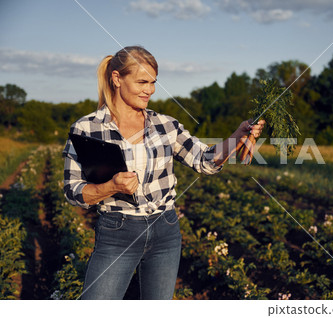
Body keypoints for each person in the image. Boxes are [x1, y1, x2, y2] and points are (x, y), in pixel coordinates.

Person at [62, 46, 265, 300]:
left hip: (165, 231)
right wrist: (111, 187)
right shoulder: (86, 128)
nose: (150, 90)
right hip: (117, 233)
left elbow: (205, 160)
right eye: (142, 82)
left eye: (153, 82)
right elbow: (72, 191)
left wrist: (238, 136)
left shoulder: (166, 125)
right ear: (116, 79)